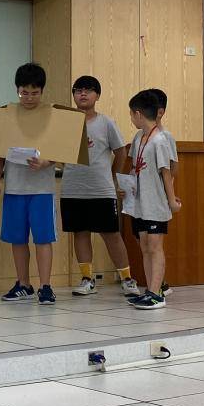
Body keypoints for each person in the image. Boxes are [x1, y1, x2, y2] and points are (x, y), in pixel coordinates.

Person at [59, 75, 140, 298]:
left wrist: (112, 176)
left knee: (111, 234)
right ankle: (87, 279)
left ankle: (127, 279)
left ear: (97, 96)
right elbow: (58, 152)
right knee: (80, 233)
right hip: (72, 189)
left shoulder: (106, 123)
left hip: (101, 190)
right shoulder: (66, 123)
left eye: (88, 90)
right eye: (78, 90)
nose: (82, 94)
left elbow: (121, 151)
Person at [0, 63, 58, 305]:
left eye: (34, 93)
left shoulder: (52, 115)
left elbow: (63, 150)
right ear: (17, 90)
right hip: (14, 187)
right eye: (24, 93)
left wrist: (46, 162)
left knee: (43, 238)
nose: (29, 98)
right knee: (17, 238)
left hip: (42, 189)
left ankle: (46, 286)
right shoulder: (8, 115)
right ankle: (23, 284)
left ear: (42, 91)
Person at [125, 89, 181, 310]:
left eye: (131, 114)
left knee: (155, 247)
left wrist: (171, 201)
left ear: (138, 114)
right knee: (145, 246)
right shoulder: (139, 138)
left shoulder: (160, 140)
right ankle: (150, 290)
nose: (131, 118)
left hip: (156, 202)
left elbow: (166, 173)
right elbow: (134, 167)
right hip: (140, 202)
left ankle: (157, 294)